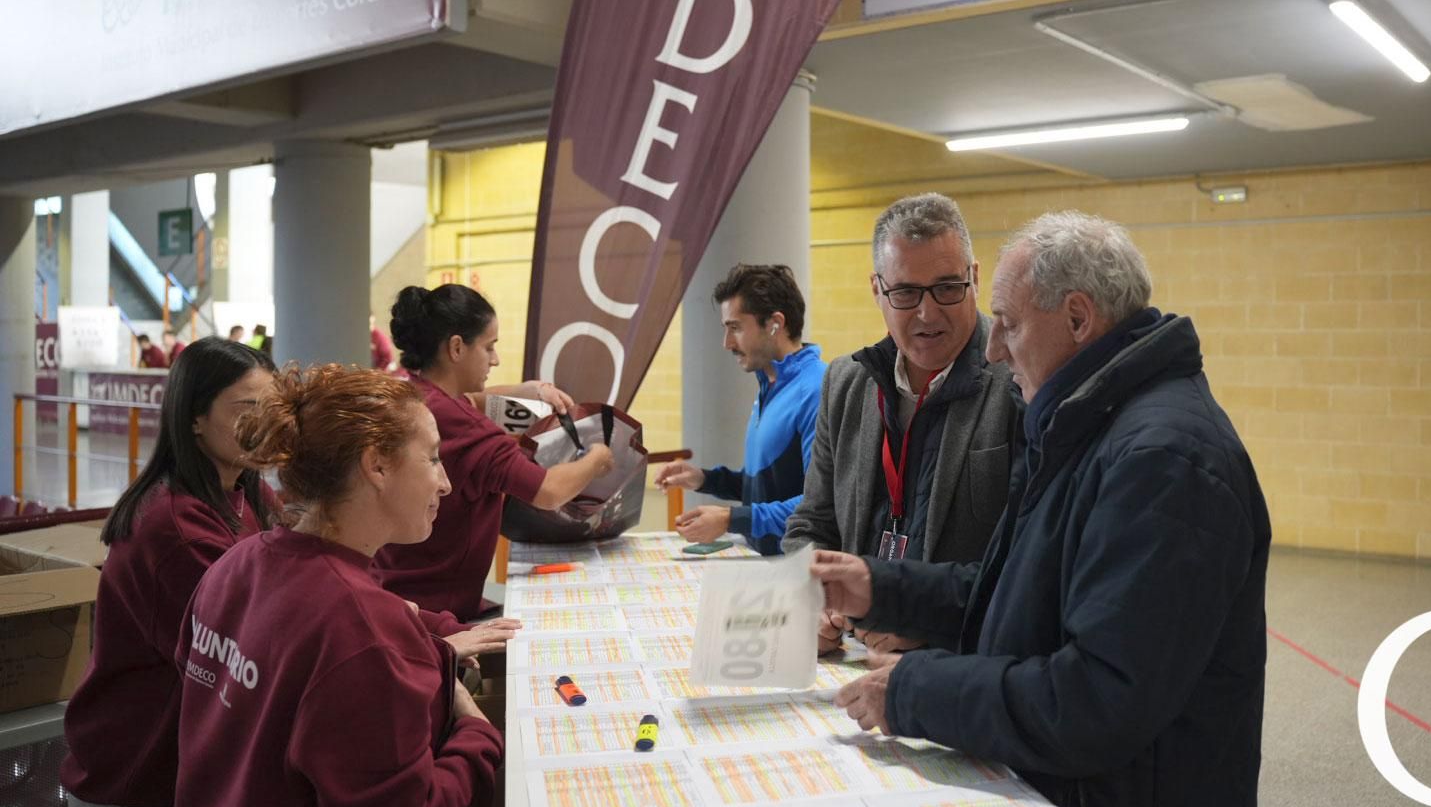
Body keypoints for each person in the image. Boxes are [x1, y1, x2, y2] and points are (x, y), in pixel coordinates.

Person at [817, 211, 1271, 807]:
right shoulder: (1087, 423)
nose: (995, 346)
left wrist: (916, 691)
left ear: (1078, 319)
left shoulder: (1162, 461)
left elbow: (1096, 699)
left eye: (1007, 321)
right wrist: (881, 586)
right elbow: (1019, 594)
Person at [174, 365, 501, 807]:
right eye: (432, 458)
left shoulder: (237, 563)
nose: (445, 483)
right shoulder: (360, 627)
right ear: (378, 466)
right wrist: (475, 727)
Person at [60, 337, 277, 807]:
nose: (266, 424)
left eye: (275, 408)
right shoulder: (177, 530)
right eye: (248, 408)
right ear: (194, 417)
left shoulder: (246, 491)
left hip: (183, 778)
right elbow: (257, 646)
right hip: (140, 788)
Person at [782, 193, 1019, 654]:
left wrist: (931, 621)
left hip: (957, 665)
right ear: (877, 289)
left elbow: (1027, 565)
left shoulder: (1020, 380)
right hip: (851, 661)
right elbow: (813, 521)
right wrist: (813, 597)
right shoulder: (846, 382)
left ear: (974, 277)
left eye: (948, 288)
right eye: (906, 293)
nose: (927, 314)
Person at [376, 284, 613, 627]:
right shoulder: (468, 429)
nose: (496, 360)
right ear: (457, 347)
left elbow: (471, 400)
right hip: (443, 610)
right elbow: (548, 491)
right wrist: (597, 458)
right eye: (489, 347)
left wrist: (529, 390)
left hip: (394, 585)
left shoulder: (410, 394)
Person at [654, 264, 825, 555]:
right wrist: (706, 479)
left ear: (775, 324)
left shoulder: (816, 390)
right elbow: (770, 485)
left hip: (799, 573)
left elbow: (819, 506)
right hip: (766, 563)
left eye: (735, 328)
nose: (727, 343)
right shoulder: (769, 385)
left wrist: (731, 518)